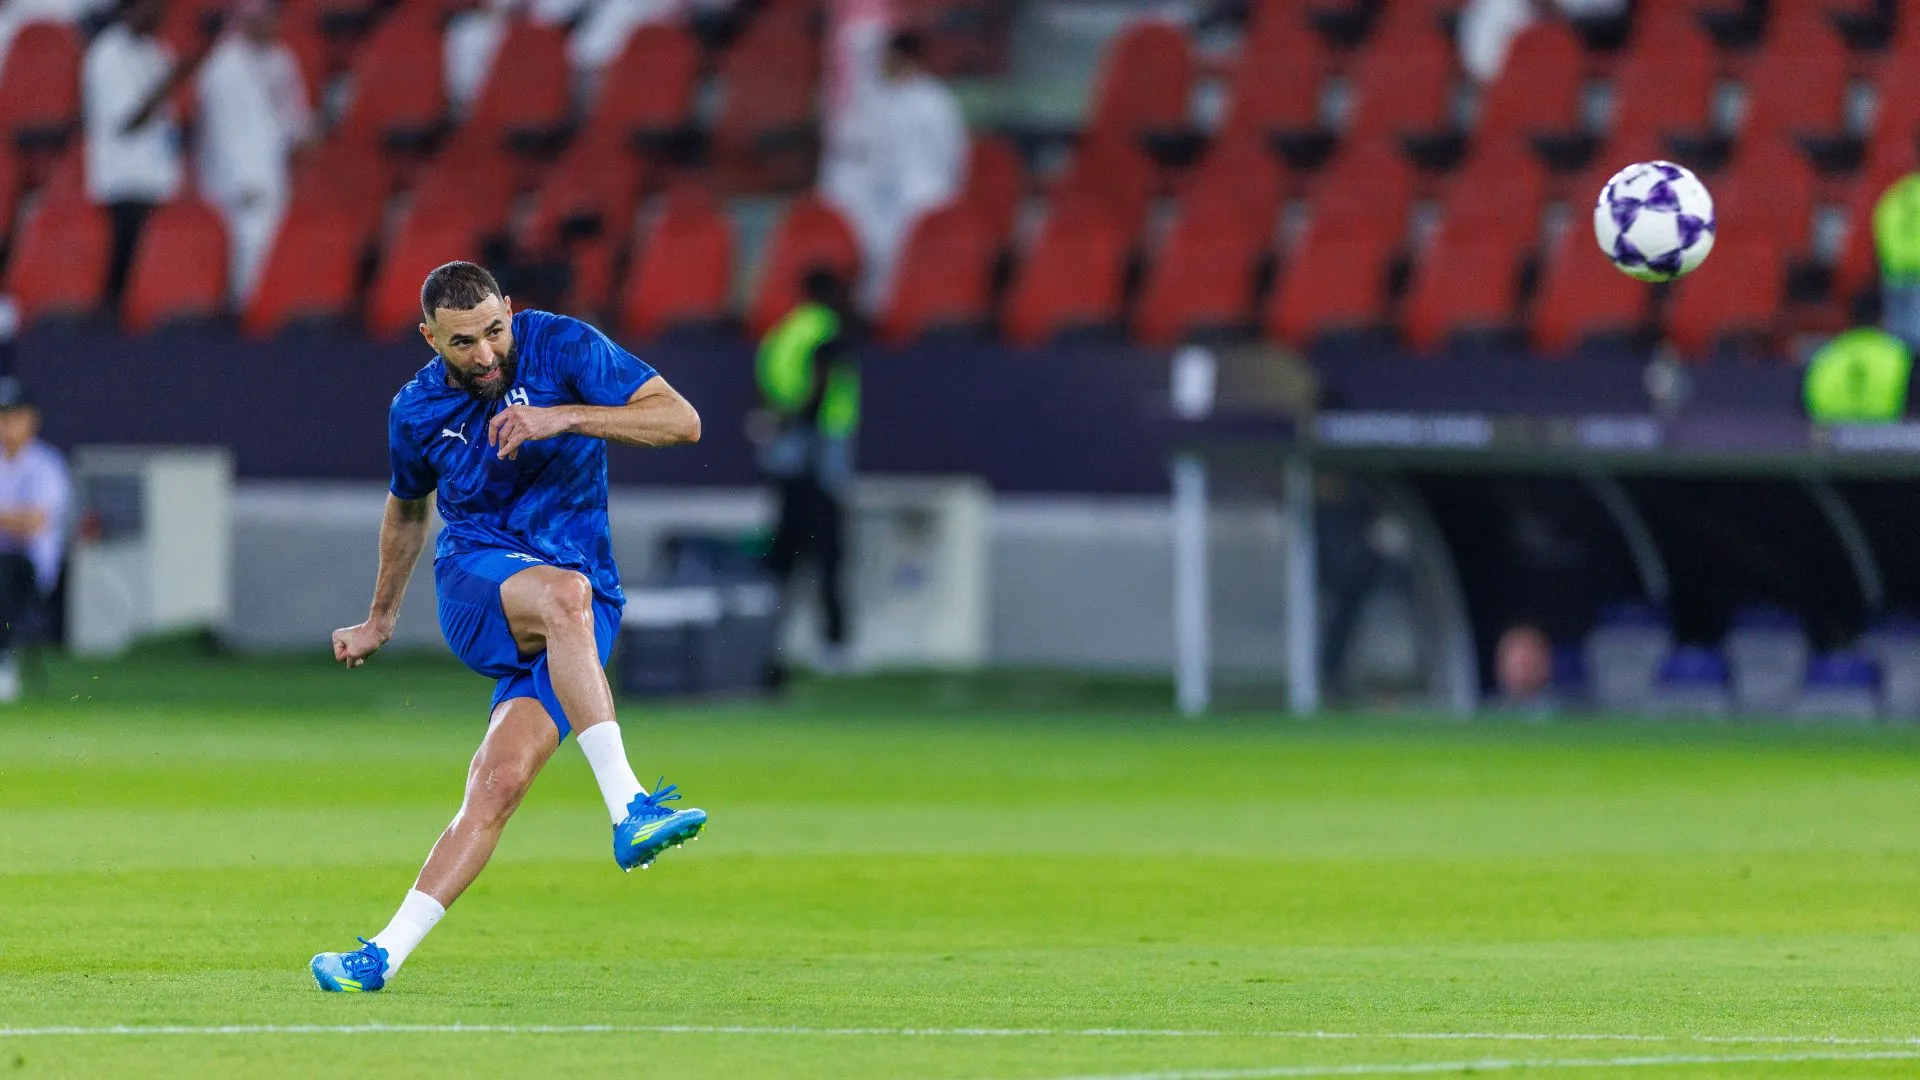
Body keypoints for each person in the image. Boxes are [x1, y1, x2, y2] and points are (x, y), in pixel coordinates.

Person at [310, 261, 708, 993]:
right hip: (479, 581)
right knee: (565, 593)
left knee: (498, 784)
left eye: (495, 331)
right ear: (428, 337)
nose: (488, 354)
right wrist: (380, 618)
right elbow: (406, 510)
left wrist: (566, 415)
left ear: (510, 312)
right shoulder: (416, 411)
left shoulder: (564, 348)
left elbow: (682, 421)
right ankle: (629, 808)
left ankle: (378, 957)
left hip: (582, 614)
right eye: (463, 342)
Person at [752, 268, 859, 668]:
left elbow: (769, 383)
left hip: (787, 455)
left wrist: (779, 423)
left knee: (785, 552)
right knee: (828, 549)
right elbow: (821, 383)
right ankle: (835, 645)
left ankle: (769, 641)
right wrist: (804, 431)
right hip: (815, 452)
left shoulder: (788, 330)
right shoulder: (827, 330)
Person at [820, 29, 967, 312]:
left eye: (888, 58)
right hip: (877, 200)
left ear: (906, 59)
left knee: (907, 239)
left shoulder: (935, 102)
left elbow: (950, 160)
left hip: (923, 199)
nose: (882, 65)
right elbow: (854, 151)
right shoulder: (875, 101)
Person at [83, 0, 206, 307]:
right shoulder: (106, 53)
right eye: (151, 7)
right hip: (124, 184)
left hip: (159, 179)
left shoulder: (157, 51)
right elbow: (127, 122)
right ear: (131, 9)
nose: (159, 14)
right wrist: (170, 81)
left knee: (157, 279)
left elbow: (167, 118)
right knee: (122, 281)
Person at [195, 0, 315, 304]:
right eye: (258, 18)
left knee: (271, 246)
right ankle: (243, 312)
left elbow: (294, 122)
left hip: (272, 172)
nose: (266, 24)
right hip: (236, 180)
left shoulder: (282, 59)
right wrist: (239, 180)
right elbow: (224, 134)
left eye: (271, 17)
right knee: (249, 245)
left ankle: (263, 309)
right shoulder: (223, 66)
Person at [0, 375, 70, 703]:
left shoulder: (47, 465)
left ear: (32, 420)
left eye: (14, 416)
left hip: (30, 567)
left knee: (5, 572)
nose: (7, 425)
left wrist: (12, 519)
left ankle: (3, 665)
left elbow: (34, 523)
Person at [1874, 170, 1920, 351]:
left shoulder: (1898, 192)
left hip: (1895, 274)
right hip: (1914, 277)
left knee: (1897, 343)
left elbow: (1880, 220)